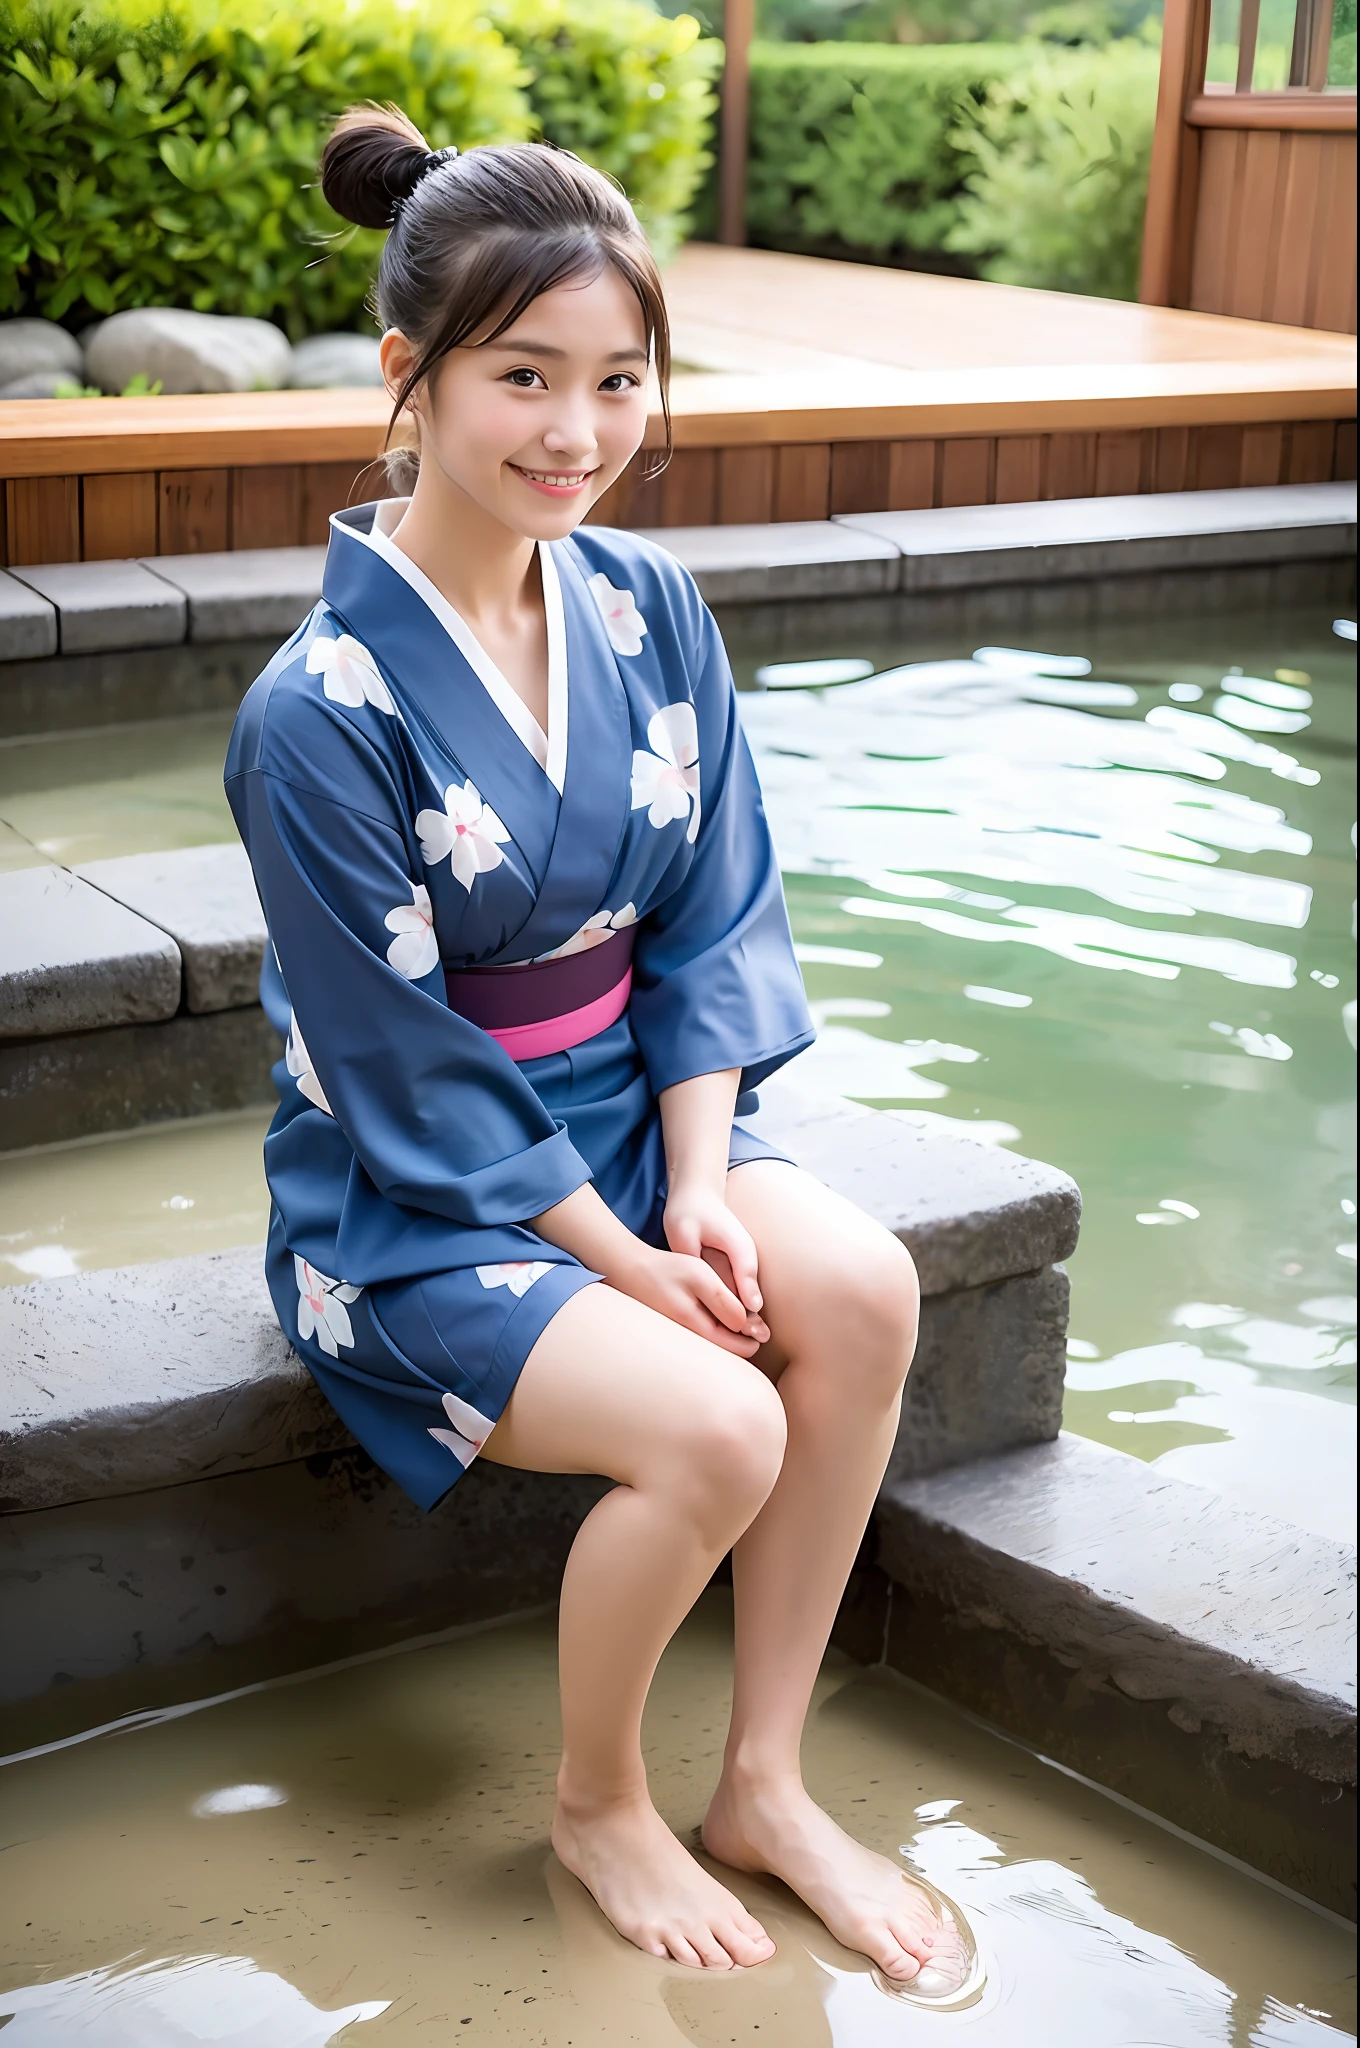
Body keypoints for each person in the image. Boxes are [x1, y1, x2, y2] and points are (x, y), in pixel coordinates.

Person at [226, 103, 971, 1993]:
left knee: (865, 1292)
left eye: (620, 378)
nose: (578, 431)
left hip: (644, 1130)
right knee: (719, 1419)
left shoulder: (655, 605)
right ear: (410, 376)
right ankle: (598, 1803)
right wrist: (626, 1259)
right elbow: (388, 1061)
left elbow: (712, 918)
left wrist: (703, 1183)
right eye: (524, 376)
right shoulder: (317, 712)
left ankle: (769, 1782)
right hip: (417, 1194)